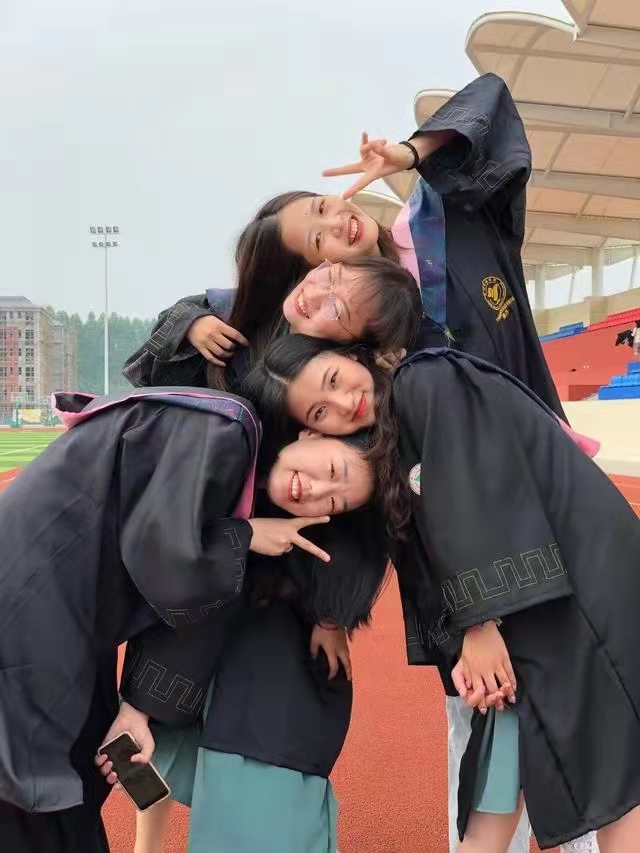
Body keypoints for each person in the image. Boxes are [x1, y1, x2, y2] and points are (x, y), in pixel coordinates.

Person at [243, 333, 640, 852]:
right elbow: (433, 585)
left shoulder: (426, 385)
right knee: (504, 793)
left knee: (614, 784)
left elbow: (481, 501)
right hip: (521, 630)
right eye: (321, 409)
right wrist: (464, 651)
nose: (343, 403)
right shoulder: (392, 483)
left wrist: (479, 625)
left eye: (334, 380)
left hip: (576, 595)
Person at [0, 384, 385, 853]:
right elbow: (163, 558)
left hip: (73, 616)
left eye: (334, 503)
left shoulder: (234, 460)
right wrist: (245, 537)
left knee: (77, 777)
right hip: (34, 605)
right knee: (42, 792)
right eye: (332, 470)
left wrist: (327, 616)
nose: (319, 491)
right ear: (309, 431)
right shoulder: (225, 432)